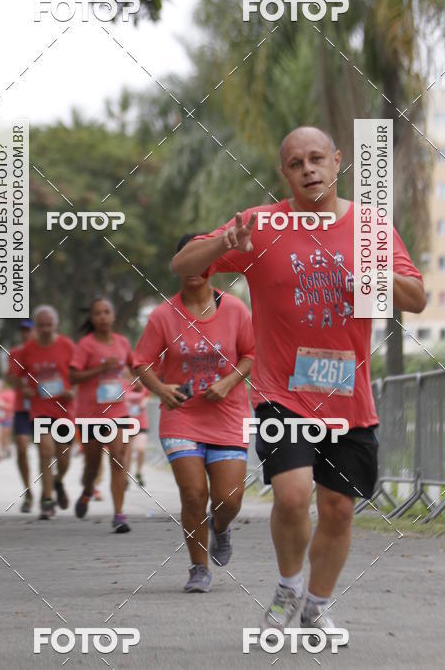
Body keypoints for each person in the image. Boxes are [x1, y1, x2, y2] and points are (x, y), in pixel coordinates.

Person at [172, 127, 426, 635]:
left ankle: (316, 606)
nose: (308, 169)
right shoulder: (259, 226)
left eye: (317, 159)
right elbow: (181, 263)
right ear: (283, 173)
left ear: (336, 162)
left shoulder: (370, 227)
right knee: (292, 495)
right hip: (281, 394)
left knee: (336, 509)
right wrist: (224, 241)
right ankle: (287, 586)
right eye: (295, 163)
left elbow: (416, 299)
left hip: (349, 399)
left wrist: (375, 270)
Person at [134, 235, 254, 593]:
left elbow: (250, 354)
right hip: (181, 416)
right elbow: (141, 363)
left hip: (228, 414)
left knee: (228, 500)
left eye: (201, 260)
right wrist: (162, 389)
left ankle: (220, 525)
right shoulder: (162, 316)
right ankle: (198, 567)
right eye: (185, 261)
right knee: (192, 493)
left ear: (212, 264)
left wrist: (229, 381)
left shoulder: (235, 310)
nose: (194, 269)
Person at [69, 297, 134, 532]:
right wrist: (101, 369)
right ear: (92, 318)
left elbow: (135, 366)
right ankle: (88, 490)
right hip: (91, 414)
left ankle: (119, 515)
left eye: (107, 312)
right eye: (98, 313)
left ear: (113, 316)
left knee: (118, 456)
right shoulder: (86, 345)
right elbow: (73, 377)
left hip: (118, 411)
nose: (103, 317)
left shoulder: (123, 342)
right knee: (92, 467)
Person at [16, 305, 75, 519]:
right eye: (41, 325)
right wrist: (22, 387)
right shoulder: (27, 350)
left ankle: (58, 481)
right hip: (40, 410)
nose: (45, 329)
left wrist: (73, 390)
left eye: (49, 325)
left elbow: (78, 373)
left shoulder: (67, 346)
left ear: (55, 325)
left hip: (64, 409)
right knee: (45, 450)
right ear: (35, 327)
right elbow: (13, 374)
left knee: (64, 455)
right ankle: (47, 500)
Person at [7, 318, 35, 512]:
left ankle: (51, 487)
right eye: (22, 331)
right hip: (22, 409)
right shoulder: (15, 353)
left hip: (45, 408)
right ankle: (28, 491)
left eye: (29, 330)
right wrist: (20, 385)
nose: (25, 334)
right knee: (22, 449)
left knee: (48, 451)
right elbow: (10, 376)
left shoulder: (44, 350)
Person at [123, 381, 149, 488]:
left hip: (140, 423)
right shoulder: (122, 384)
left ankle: (138, 472)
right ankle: (125, 478)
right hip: (126, 423)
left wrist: (142, 404)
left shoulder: (144, 384)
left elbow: (146, 399)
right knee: (127, 454)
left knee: (140, 449)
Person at [0, 380, 15, 461]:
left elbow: (12, 406)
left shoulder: (9, 393)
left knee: (5, 436)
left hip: (8, 417)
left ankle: (7, 450)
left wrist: (3, 405)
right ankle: (1, 452)